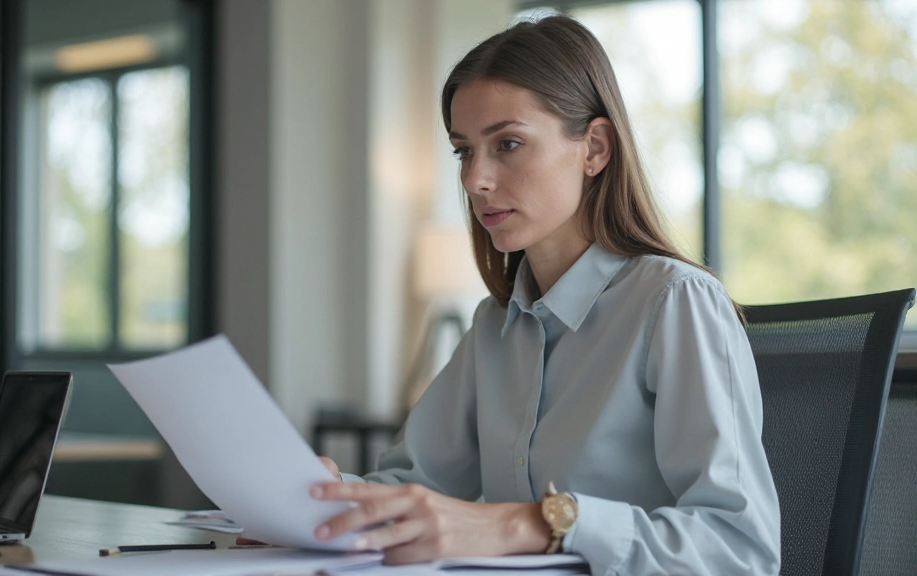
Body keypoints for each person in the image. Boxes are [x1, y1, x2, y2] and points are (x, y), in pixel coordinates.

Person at [308, 15, 781, 575]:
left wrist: (533, 524)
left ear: (595, 148)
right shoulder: (493, 326)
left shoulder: (674, 303)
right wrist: (328, 495)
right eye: (464, 151)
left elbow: (739, 550)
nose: (474, 180)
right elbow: (414, 485)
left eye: (508, 144)